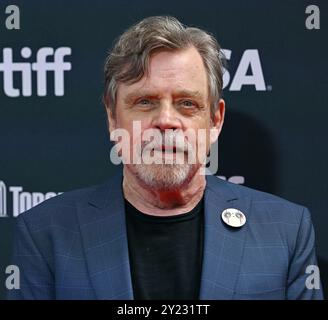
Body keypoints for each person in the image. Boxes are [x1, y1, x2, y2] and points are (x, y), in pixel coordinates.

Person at [8, 16, 323, 300]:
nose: (166, 121)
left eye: (187, 103)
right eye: (145, 102)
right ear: (112, 118)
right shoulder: (45, 234)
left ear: (215, 121)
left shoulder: (285, 231)